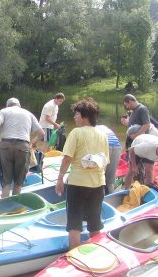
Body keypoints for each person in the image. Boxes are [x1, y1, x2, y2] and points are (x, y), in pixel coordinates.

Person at [55, 98, 109, 250]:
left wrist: (60, 178)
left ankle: (74, 257)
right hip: (98, 184)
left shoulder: (76, 132)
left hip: (78, 183)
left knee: (75, 224)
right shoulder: (102, 135)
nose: (74, 117)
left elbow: (67, 158)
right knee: (95, 223)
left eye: (77, 114)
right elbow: (106, 161)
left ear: (84, 116)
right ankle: (96, 254)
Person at [0, 97, 44, 198]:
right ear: (19, 106)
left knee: (6, 182)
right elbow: (41, 133)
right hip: (23, 147)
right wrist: (32, 143)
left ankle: (4, 205)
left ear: (7, 106)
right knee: (18, 183)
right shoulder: (28, 113)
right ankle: (14, 206)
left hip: (5, 147)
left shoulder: (3, 111)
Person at [121, 94, 153, 188]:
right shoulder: (133, 111)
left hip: (142, 143)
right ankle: (126, 190)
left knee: (148, 167)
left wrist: (135, 135)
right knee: (132, 169)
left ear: (130, 101)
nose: (127, 107)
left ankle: (147, 190)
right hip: (133, 145)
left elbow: (146, 125)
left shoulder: (142, 109)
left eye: (127, 105)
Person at [96, 125, 122, 194]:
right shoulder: (105, 128)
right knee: (110, 178)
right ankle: (111, 197)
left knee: (100, 177)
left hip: (105, 145)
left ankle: (100, 200)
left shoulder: (92, 129)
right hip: (117, 146)